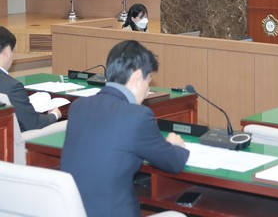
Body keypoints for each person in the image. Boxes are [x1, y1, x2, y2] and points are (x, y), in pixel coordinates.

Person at [61, 40, 189, 216]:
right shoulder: (138, 116)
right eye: (148, 80)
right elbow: (173, 162)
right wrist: (174, 144)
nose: (147, 90)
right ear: (137, 77)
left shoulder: (79, 107)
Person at [0, 26, 60, 131]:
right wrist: (54, 115)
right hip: (13, 137)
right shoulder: (12, 87)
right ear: (7, 51)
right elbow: (34, 125)